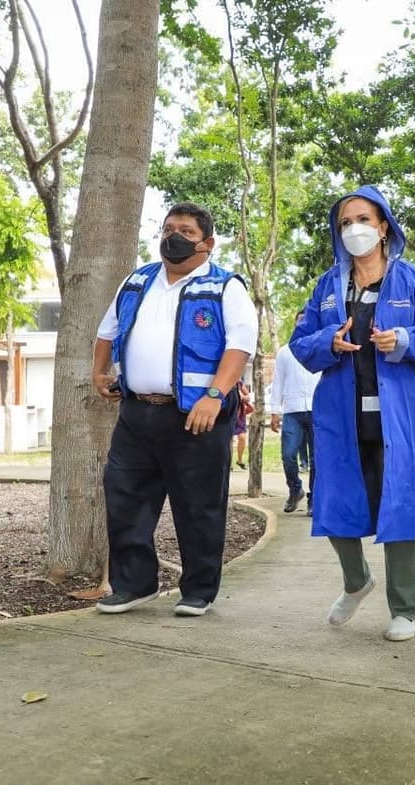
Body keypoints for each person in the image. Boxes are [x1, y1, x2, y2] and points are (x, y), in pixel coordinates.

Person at [290, 185, 415, 643]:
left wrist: (402, 340)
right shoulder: (328, 286)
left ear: (383, 228)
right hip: (341, 417)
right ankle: (356, 581)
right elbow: (300, 342)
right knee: (334, 501)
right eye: (345, 223)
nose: (353, 230)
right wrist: (329, 343)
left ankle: (404, 609)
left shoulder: (414, 282)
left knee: (398, 505)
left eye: (363, 220)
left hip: (396, 417)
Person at [92, 202, 258, 617]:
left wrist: (216, 396)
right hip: (136, 413)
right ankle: (134, 585)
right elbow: (107, 331)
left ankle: (198, 590)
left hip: (197, 415)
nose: (174, 237)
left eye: (185, 230)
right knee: (125, 497)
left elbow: (240, 347)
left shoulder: (225, 287)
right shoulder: (137, 281)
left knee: (198, 504)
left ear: (208, 243)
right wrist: (98, 373)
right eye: (169, 228)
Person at [268, 309, 321, 515]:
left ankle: (314, 498)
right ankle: (295, 489)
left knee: (317, 458)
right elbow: (278, 382)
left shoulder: (320, 349)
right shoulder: (285, 352)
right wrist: (275, 411)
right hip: (292, 411)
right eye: (299, 320)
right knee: (288, 455)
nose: (303, 323)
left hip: (317, 410)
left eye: (306, 321)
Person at [233, 379, 251, 470]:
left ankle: (239, 461)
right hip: (229, 413)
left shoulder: (239, 383)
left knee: (242, 437)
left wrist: (244, 397)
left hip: (240, 415)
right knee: (229, 439)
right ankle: (229, 463)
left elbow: (247, 396)